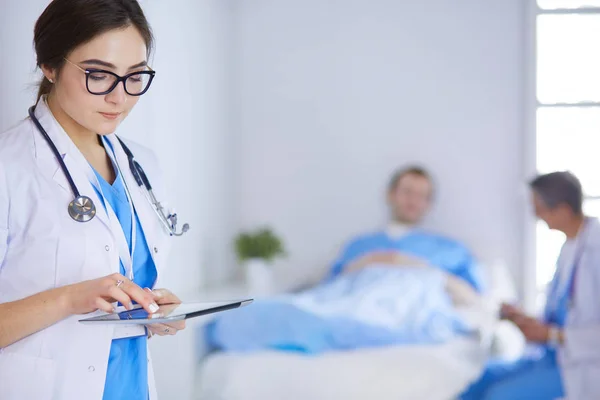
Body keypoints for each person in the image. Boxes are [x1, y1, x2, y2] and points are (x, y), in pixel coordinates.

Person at [0, 1, 187, 399]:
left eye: (134, 76)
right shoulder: (8, 167)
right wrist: (70, 298)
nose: (119, 97)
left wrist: (150, 310)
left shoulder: (143, 165)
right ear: (50, 66)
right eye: (99, 75)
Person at [461, 171, 600, 400]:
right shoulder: (570, 247)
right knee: (479, 381)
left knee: (498, 396)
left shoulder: (595, 248)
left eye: (539, 208)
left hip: (582, 366)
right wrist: (525, 319)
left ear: (563, 210)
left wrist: (552, 334)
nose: (536, 215)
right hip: (552, 356)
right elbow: (565, 313)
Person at [328, 166, 484, 295]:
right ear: (391, 195)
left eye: (421, 195)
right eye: (407, 192)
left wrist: (411, 265)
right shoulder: (358, 246)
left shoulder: (451, 250)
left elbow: (473, 297)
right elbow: (329, 290)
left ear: (428, 204)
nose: (413, 201)